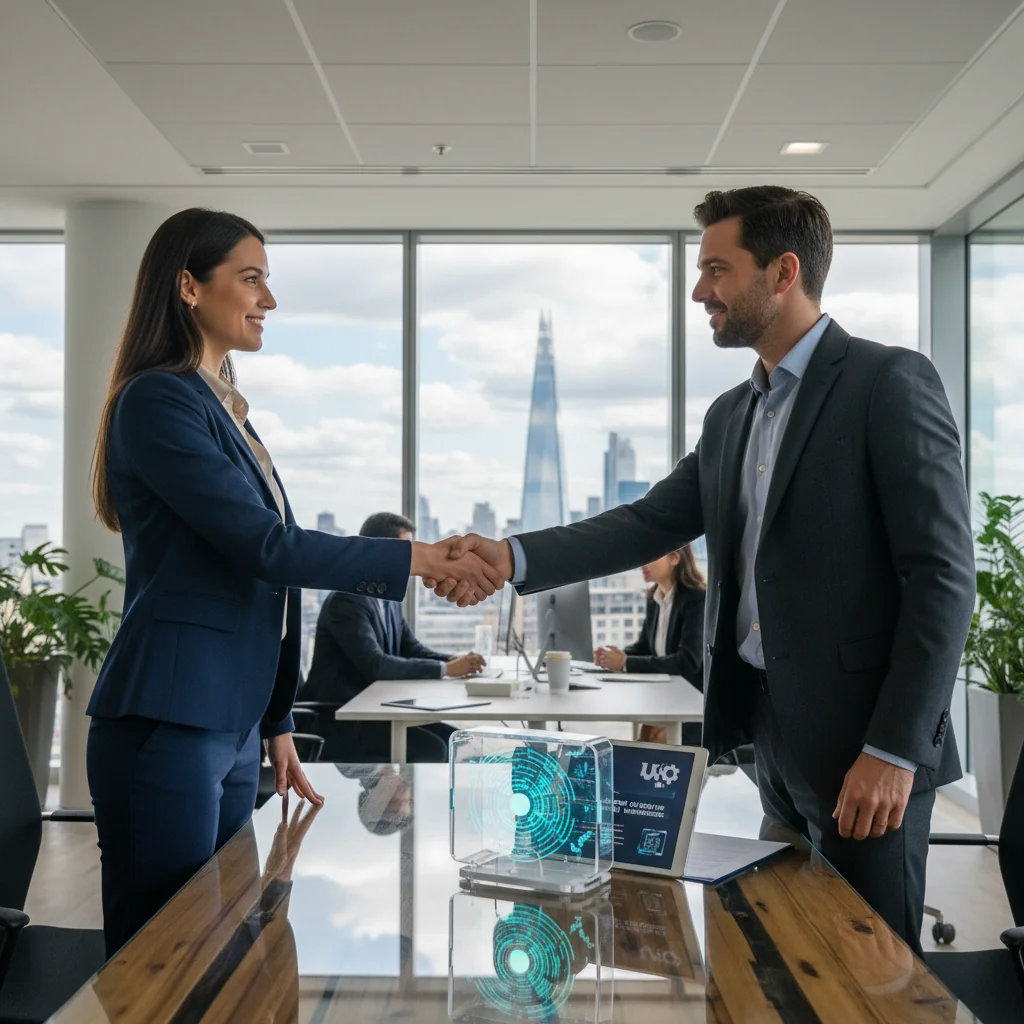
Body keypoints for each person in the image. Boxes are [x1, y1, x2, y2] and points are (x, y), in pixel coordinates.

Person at [432, 186, 975, 954]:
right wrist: (511, 556)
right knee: (784, 947)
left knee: (872, 968)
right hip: (769, 737)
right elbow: (646, 523)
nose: (699, 291)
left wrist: (894, 751)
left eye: (717, 270)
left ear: (783, 272)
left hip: (866, 746)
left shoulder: (886, 383)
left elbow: (945, 579)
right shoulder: (733, 414)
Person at [86, 208, 501, 955]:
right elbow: (268, 549)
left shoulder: (228, 414)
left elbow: (260, 588)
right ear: (188, 286)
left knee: (225, 943)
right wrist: (423, 558)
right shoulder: (158, 400)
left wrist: (274, 720)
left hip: (231, 724)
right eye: (251, 280)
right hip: (170, 719)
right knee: (162, 957)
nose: (268, 301)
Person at [301, 511, 485, 762]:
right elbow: (377, 665)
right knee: (436, 749)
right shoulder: (347, 600)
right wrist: (446, 669)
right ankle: (408, 801)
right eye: (405, 550)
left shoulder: (386, 595)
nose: (411, 559)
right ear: (379, 551)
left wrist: (456, 661)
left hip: (376, 710)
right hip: (342, 719)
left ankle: (412, 801)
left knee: (459, 742)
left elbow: (410, 647)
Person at [594, 543, 705, 745]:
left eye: (651, 556)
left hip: (695, 703)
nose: (642, 563)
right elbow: (644, 647)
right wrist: (612, 657)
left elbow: (688, 661)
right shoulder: (655, 598)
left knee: (651, 740)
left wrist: (625, 662)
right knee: (645, 737)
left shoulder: (697, 600)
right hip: (667, 697)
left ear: (675, 558)